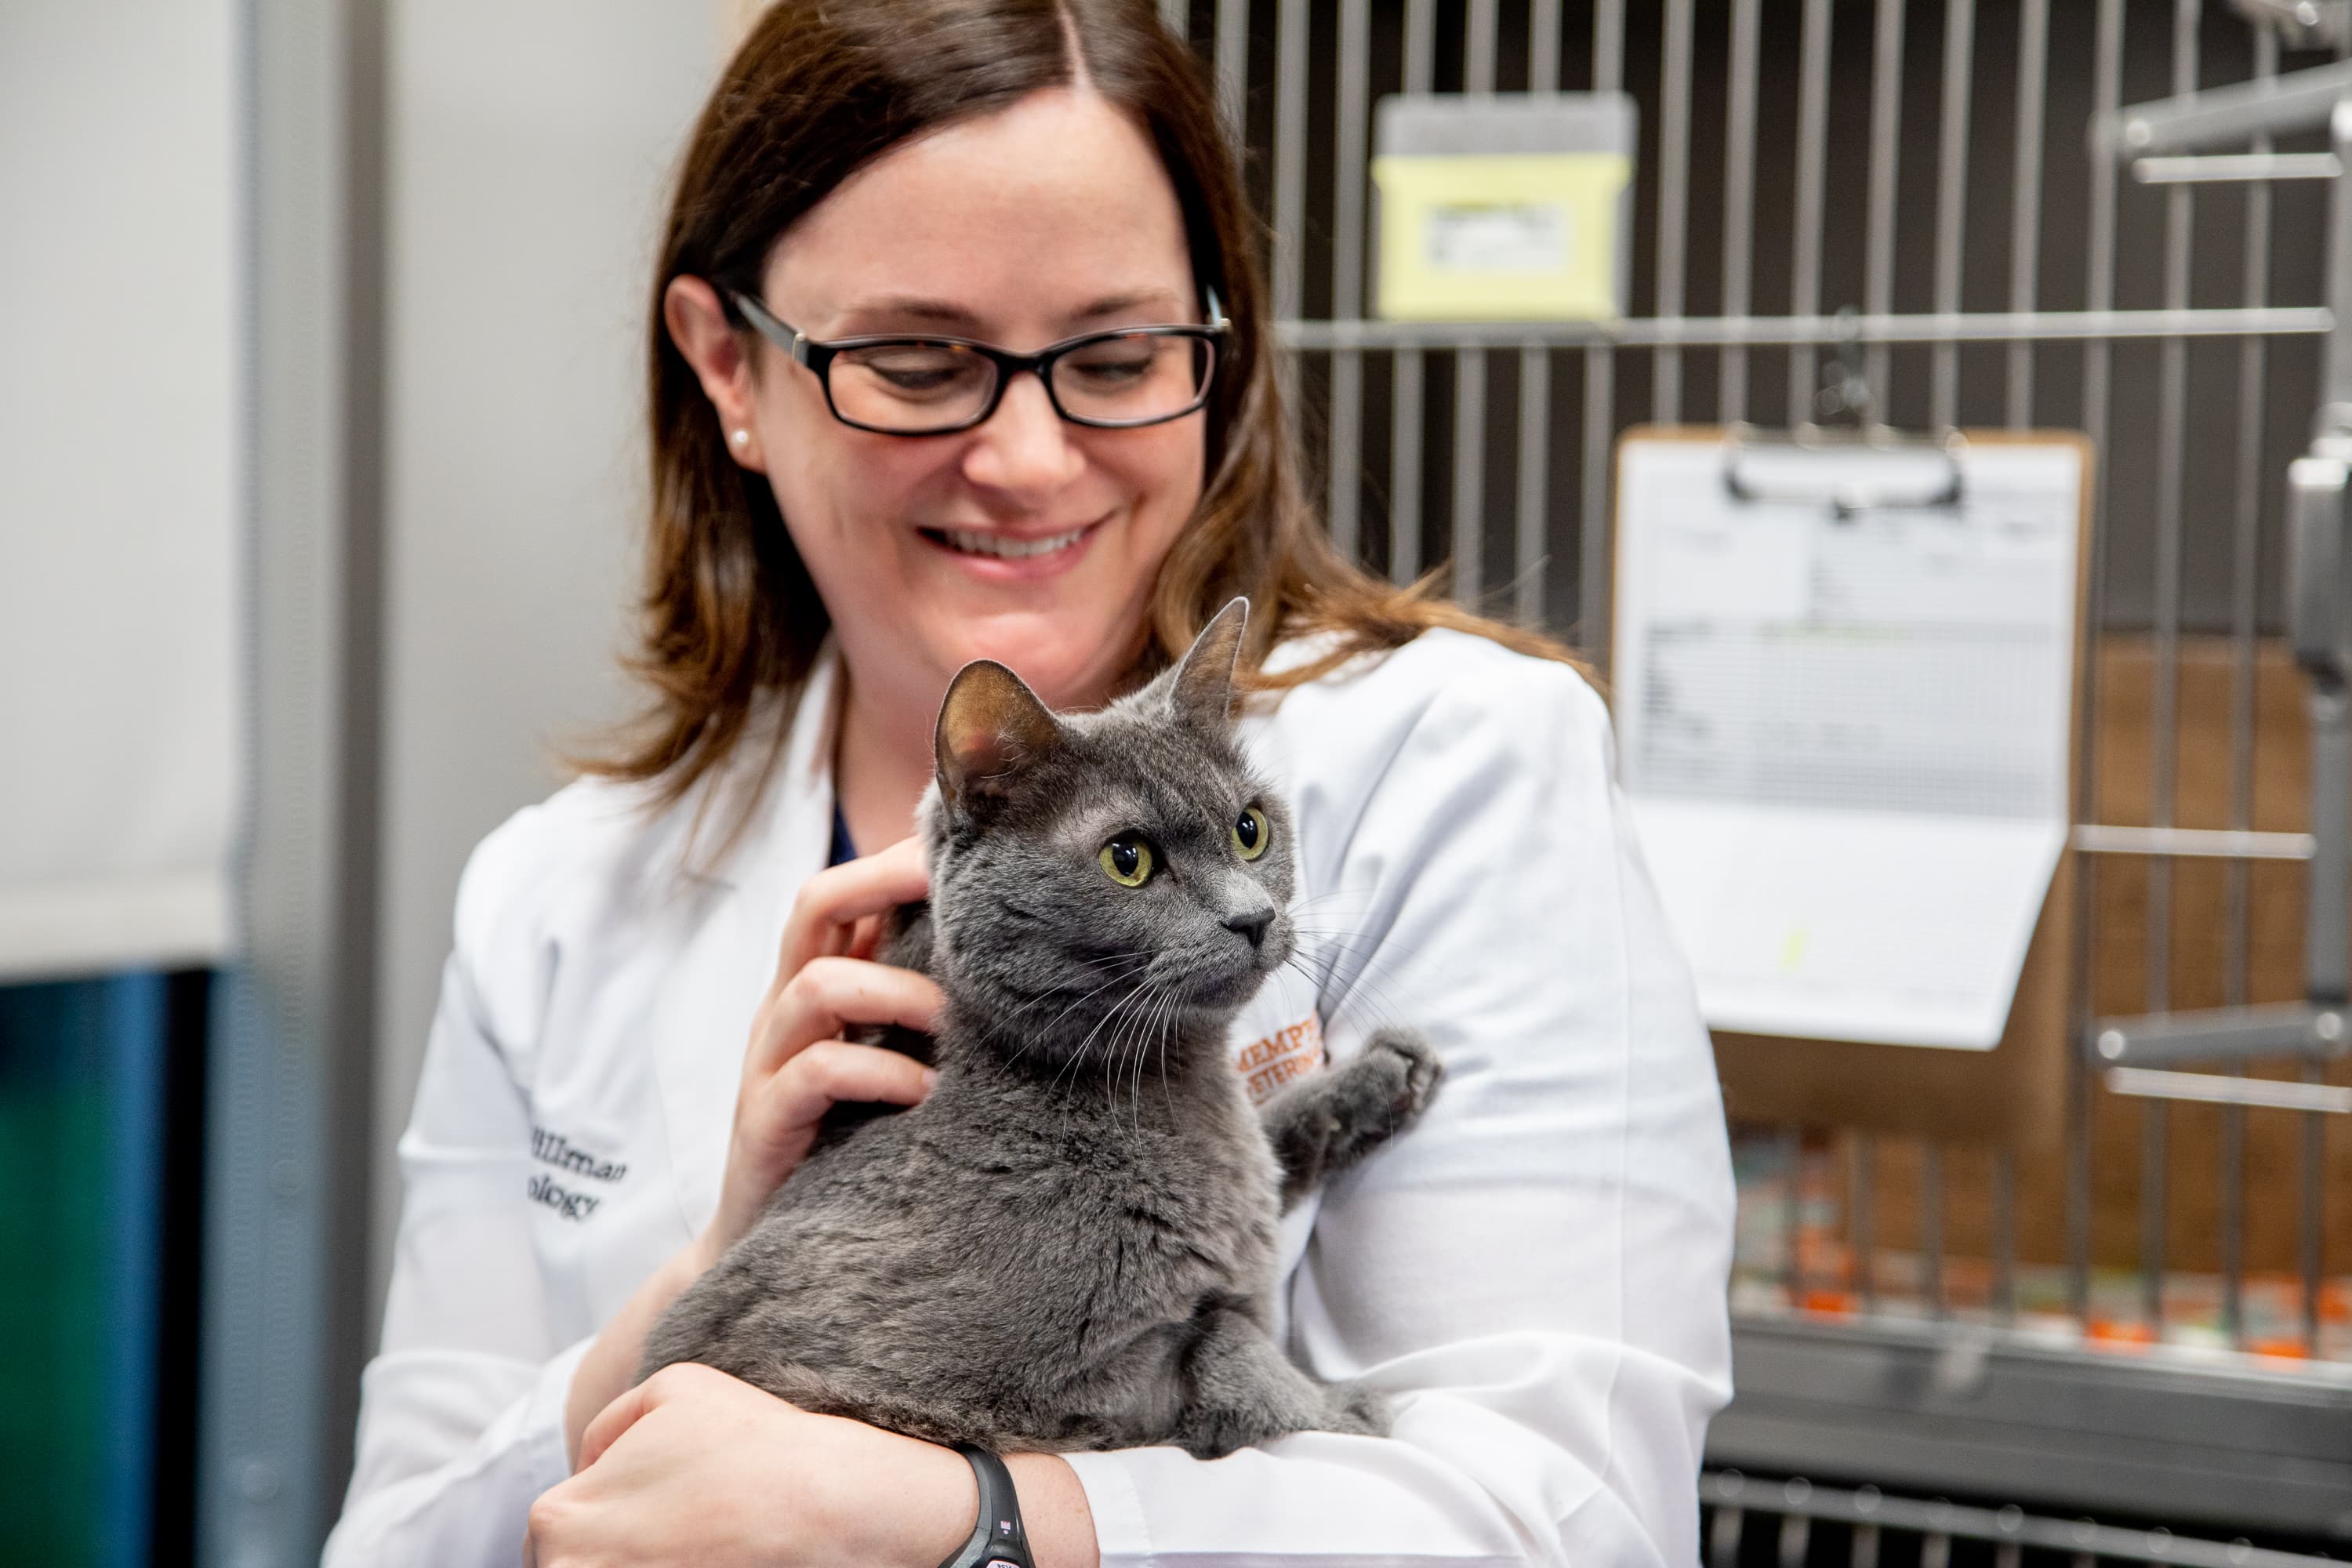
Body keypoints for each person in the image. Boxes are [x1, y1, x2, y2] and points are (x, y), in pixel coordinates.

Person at [324, 2, 1734, 1564]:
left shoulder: (1461, 765)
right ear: (730, 365)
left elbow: (1575, 1516)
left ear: (1218, 348)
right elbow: (396, 1538)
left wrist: (979, 1521)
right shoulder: (559, 894)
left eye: (1117, 358)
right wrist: (713, 1275)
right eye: (919, 365)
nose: (1031, 459)